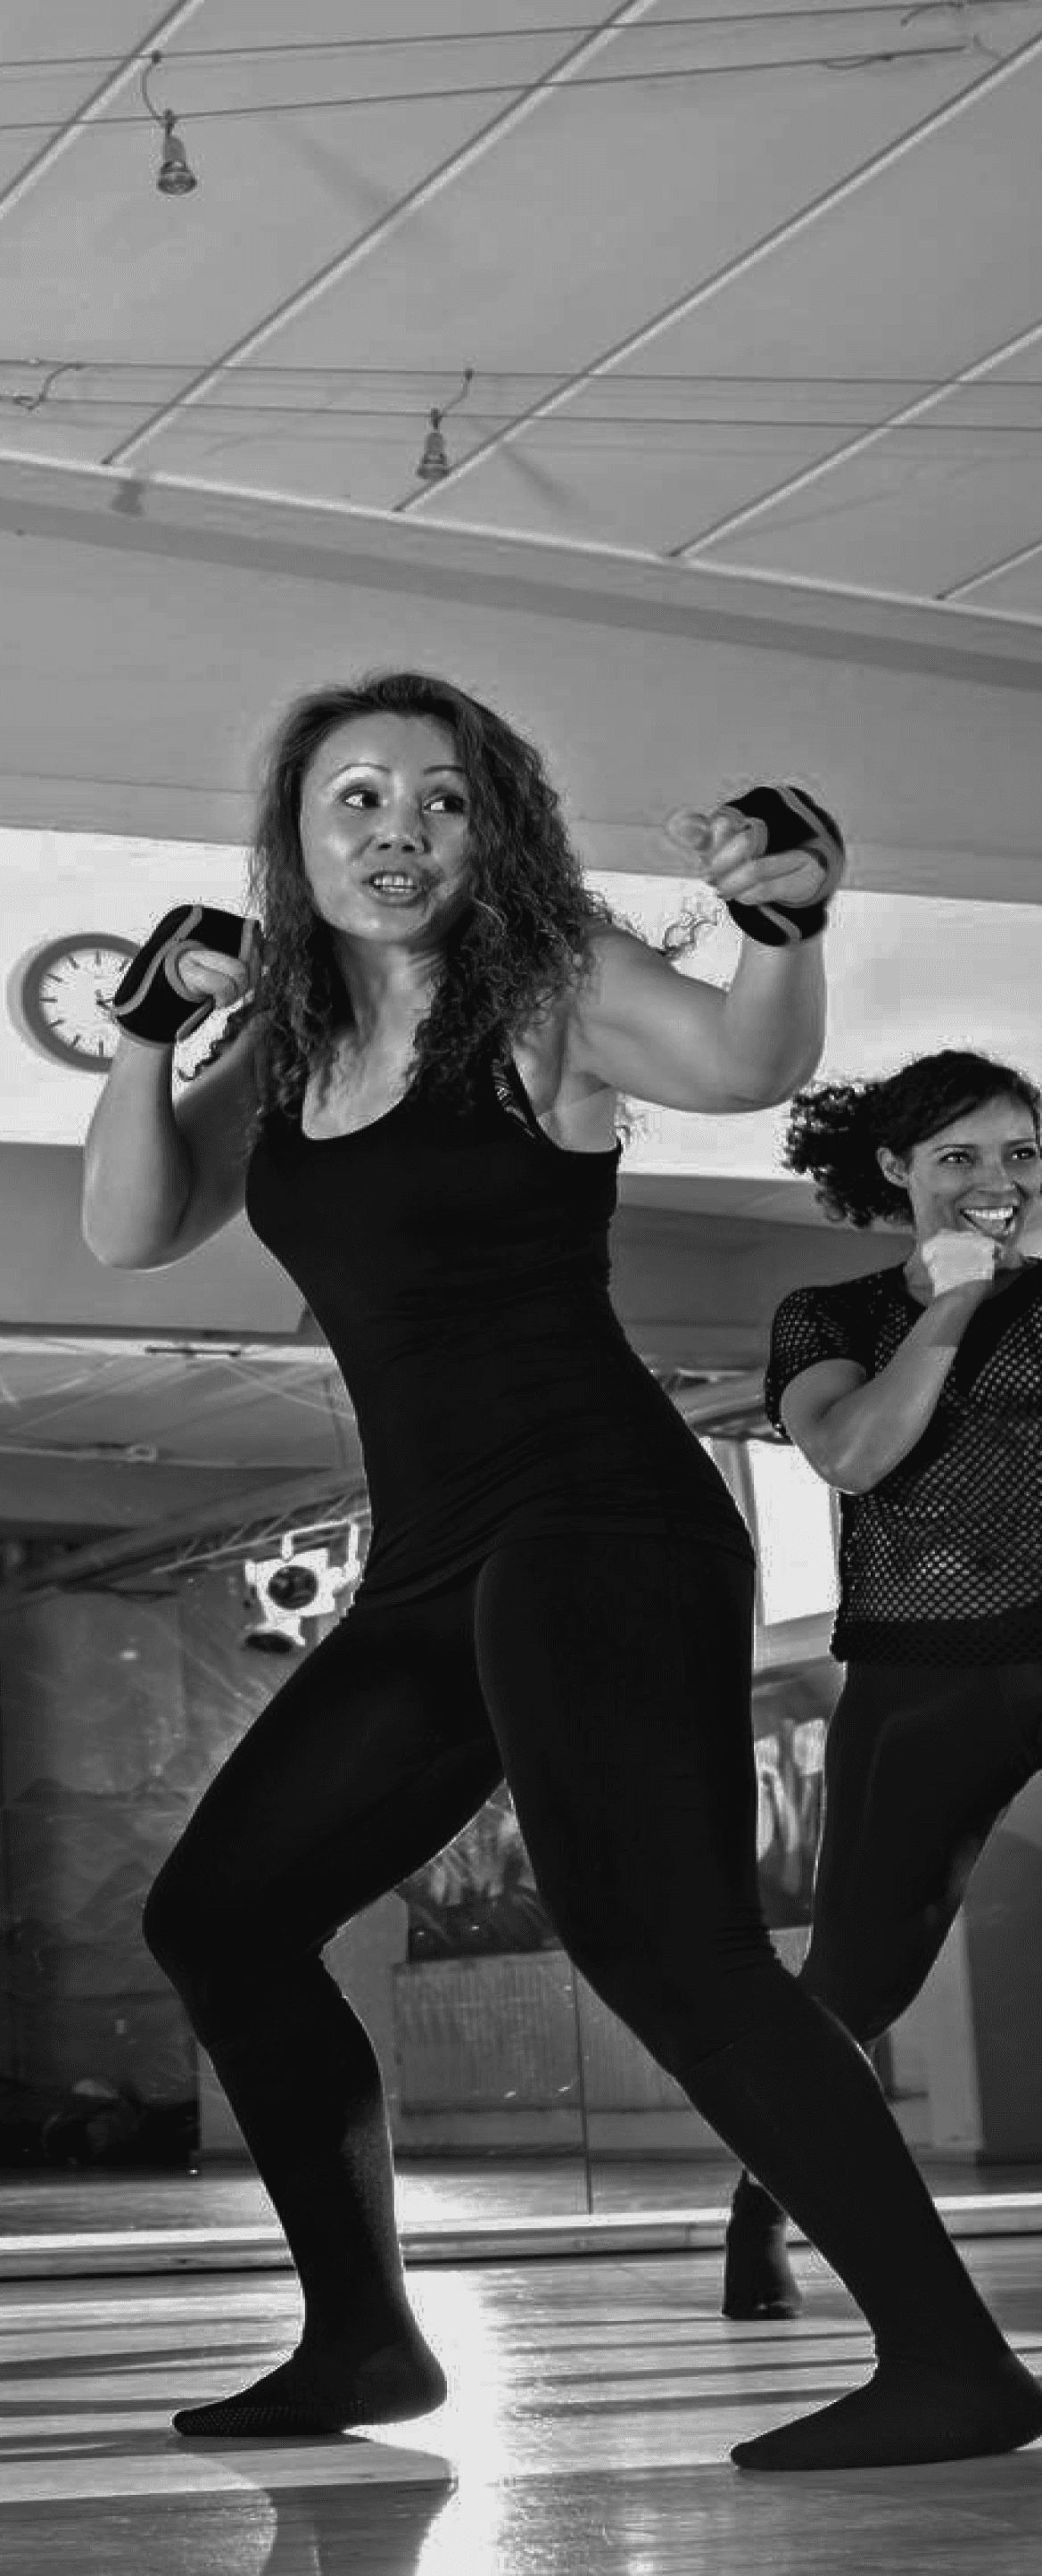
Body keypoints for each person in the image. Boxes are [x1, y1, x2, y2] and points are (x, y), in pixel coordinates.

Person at [81, 672, 1041, 2473]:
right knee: (221, 1915)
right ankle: (364, 2341)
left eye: (439, 801)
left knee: (655, 1940)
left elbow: (747, 1060)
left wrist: (781, 925)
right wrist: (144, 1034)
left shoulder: (546, 984)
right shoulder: (277, 1043)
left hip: (598, 1522)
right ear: (295, 831)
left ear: (492, 824)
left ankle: (948, 2359)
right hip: (435, 1558)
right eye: (354, 798)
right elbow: (132, 1225)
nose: (395, 832)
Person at [723, 1053, 1042, 2325]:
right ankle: (766, 2207)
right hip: (925, 1668)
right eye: (957, 1158)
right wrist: (953, 1306)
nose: (995, 1182)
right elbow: (853, 1456)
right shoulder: (831, 1316)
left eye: (1020, 1154)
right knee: (858, 1977)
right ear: (897, 1172)